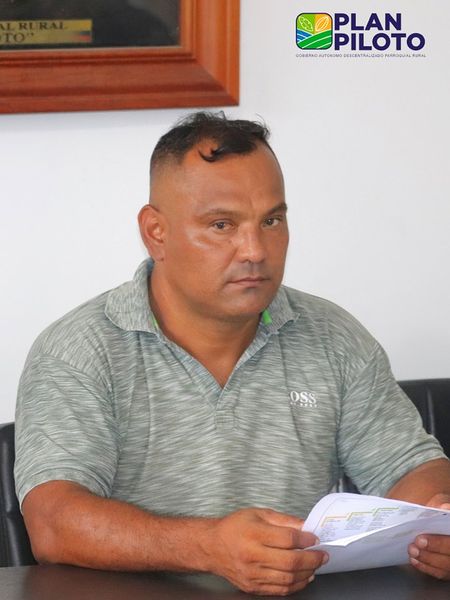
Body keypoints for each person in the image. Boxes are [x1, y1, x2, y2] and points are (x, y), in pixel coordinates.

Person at [15, 112, 450, 596]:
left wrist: (434, 522)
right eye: (222, 225)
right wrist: (208, 547)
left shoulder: (332, 337)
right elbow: (53, 523)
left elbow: (411, 467)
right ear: (156, 232)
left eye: (272, 221)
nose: (255, 250)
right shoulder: (80, 350)